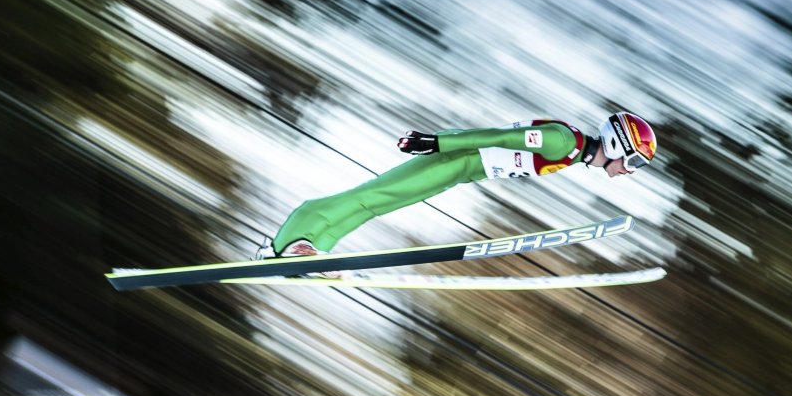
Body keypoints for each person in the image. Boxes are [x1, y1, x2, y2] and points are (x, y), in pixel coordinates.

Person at [257, 112, 657, 259]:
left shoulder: (572, 154)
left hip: (461, 170)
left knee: (377, 206)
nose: (630, 170)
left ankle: (308, 250)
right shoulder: (563, 142)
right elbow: (496, 137)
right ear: (620, 145)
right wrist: (435, 142)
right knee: (372, 196)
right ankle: (298, 233)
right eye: (635, 161)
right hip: (456, 159)